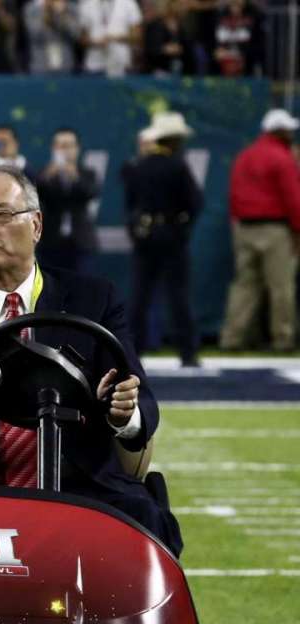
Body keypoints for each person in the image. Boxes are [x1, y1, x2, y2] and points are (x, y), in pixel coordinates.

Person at [0, 164, 182, 555]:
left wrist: (122, 414)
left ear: (36, 225)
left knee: (144, 520)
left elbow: (143, 406)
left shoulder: (95, 300)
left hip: (83, 489)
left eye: (0, 214)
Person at [122, 111, 203, 365]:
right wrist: (182, 227)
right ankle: (188, 353)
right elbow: (195, 203)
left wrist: (137, 231)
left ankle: (133, 352)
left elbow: (130, 205)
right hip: (172, 237)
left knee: (140, 297)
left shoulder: (139, 166)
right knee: (178, 296)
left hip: (145, 237)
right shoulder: (178, 166)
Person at [220, 109, 300, 352]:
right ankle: (283, 339)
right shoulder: (282, 157)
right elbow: (293, 198)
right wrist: (298, 230)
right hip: (275, 229)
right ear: (281, 131)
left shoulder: (245, 156)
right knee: (281, 286)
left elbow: (233, 194)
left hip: (244, 227)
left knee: (244, 286)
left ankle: (232, 338)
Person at [34, 127, 99, 274]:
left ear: (77, 148)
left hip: (81, 243)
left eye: (69, 146)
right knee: (51, 290)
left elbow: (90, 193)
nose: (64, 151)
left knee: (83, 289)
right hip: (50, 244)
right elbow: (35, 195)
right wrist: (47, 176)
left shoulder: (88, 174)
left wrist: (74, 175)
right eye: (60, 146)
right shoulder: (43, 174)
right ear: (53, 149)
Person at [79, 0, 142, 76]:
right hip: (94, 65)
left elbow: (137, 36)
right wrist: (96, 42)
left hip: (121, 64)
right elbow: (82, 39)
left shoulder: (129, 3)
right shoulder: (86, 5)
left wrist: (114, 38)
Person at [24, 0, 82, 73]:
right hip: (40, 66)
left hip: (66, 66)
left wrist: (63, 15)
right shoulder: (32, 8)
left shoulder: (71, 8)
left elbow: (75, 34)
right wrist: (46, 12)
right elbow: (35, 34)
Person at [211, 0, 265, 76]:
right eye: (233, 3)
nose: (235, 2)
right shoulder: (221, 15)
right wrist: (219, 49)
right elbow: (218, 39)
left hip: (245, 56)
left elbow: (256, 41)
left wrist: (240, 53)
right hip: (225, 55)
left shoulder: (253, 14)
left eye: (238, 2)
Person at [143, 0, 198, 75]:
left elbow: (189, 50)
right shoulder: (155, 25)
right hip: (158, 70)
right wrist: (164, 49)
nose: (182, 7)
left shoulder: (182, 27)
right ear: (170, 6)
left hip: (180, 71)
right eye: (179, 4)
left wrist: (181, 49)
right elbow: (149, 49)